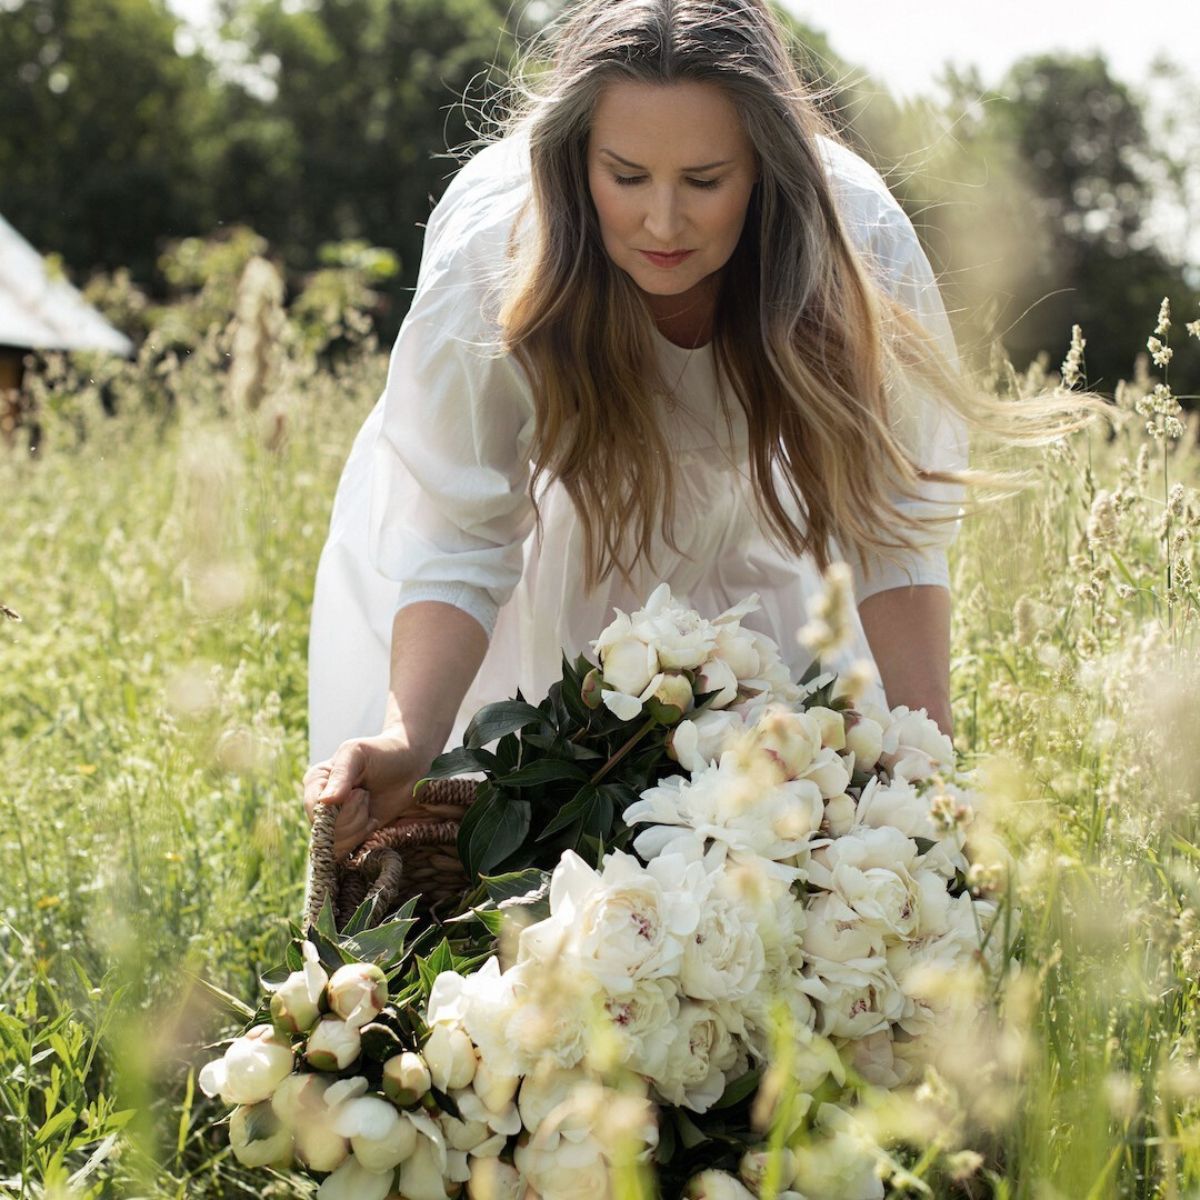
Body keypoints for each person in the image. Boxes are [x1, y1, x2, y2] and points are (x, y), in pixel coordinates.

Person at [304, 0, 1097, 859]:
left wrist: (933, 773)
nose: (664, 223)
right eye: (627, 176)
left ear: (764, 166)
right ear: (576, 160)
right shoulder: (496, 249)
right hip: (526, 566)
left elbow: (892, 526)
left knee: (773, 870)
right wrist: (408, 737)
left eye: (706, 181)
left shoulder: (854, 240)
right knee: (514, 882)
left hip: (759, 549)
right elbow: (462, 536)